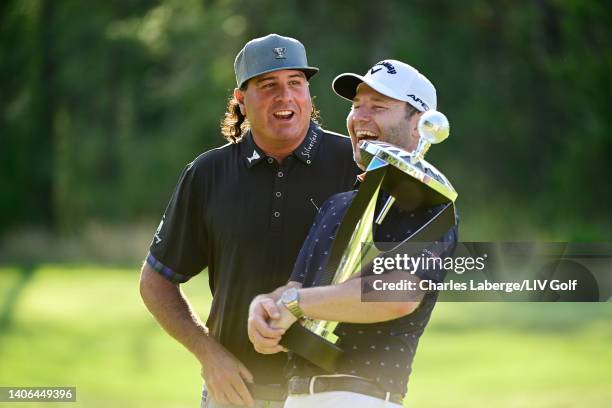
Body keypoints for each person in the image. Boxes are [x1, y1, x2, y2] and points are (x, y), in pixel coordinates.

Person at [139, 34, 360, 408]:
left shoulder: (354, 166)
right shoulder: (208, 174)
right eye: (268, 85)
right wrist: (209, 356)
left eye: (295, 83)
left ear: (309, 93)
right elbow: (155, 282)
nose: (285, 96)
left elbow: (386, 282)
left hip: (330, 394)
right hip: (237, 395)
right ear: (241, 99)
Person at [248, 59, 458, 407]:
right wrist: (267, 307)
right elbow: (301, 287)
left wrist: (294, 305)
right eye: (356, 106)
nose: (360, 117)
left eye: (378, 107)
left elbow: (398, 294)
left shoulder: (431, 201)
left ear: (419, 126)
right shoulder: (337, 205)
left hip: (364, 397)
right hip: (297, 396)